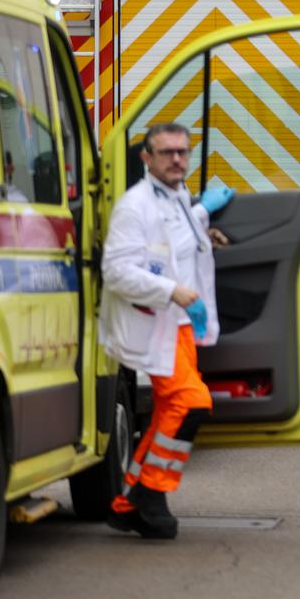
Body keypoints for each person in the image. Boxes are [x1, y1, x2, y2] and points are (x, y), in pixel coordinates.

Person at [98, 122, 234, 539]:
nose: (176, 159)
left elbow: (174, 239)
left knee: (166, 414)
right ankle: (152, 493)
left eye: (182, 152)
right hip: (156, 324)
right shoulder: (134, 206)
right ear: (146, 157)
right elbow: (117, 272)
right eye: (166, 152)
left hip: (179, 329)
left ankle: (128, 503)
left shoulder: (177, 200)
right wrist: (170, 290)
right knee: (190, 404)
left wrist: (204, 236)